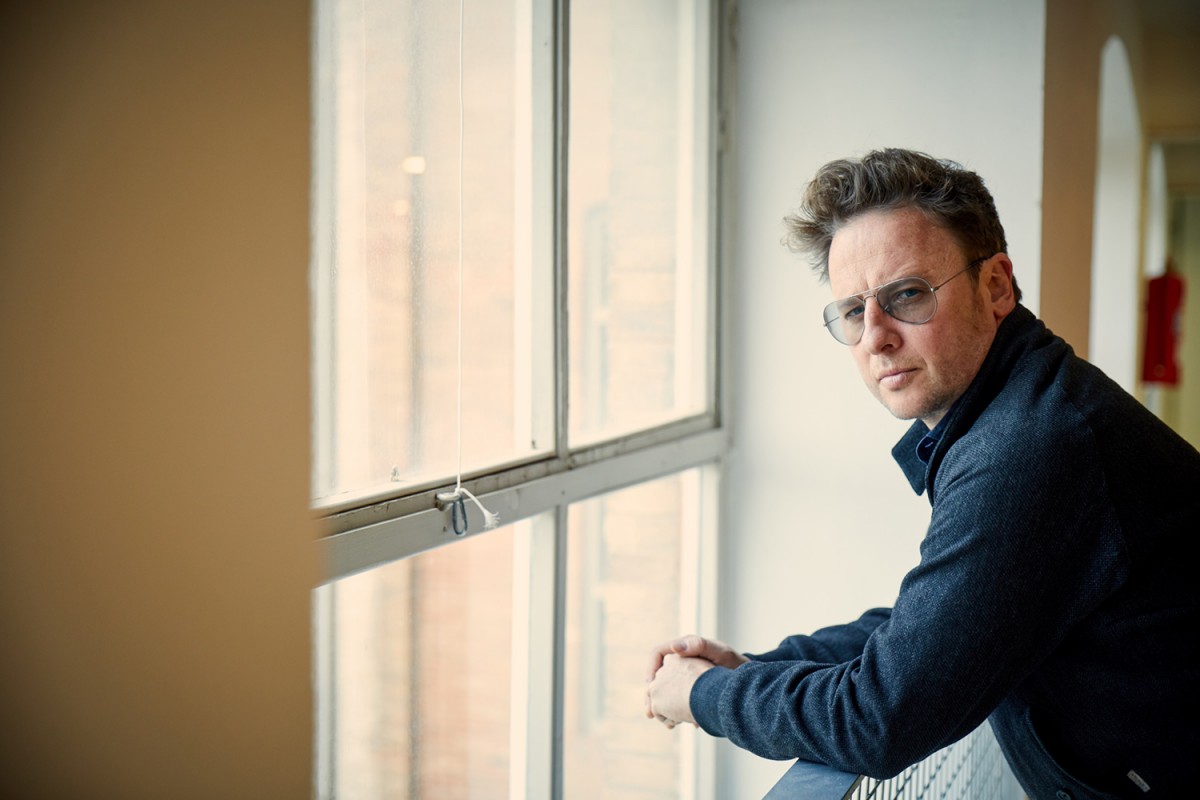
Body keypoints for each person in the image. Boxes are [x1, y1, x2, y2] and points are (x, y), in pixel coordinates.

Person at [644, 148, 1200, 800]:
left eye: (906, 295)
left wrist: (706, 695)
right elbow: (937, 623)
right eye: (854, 311)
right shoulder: (1019, 411)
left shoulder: (1032, 447)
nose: (875, 337)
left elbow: (879, 720)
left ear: (996, 286)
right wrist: (753, 669)